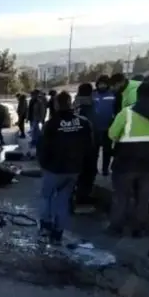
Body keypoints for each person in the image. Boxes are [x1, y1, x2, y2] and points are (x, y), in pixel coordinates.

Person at [106, 82, 149, 236]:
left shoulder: (127, 112)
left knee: (121, 195)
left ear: (139, 95)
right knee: (143, 197)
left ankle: (116, 227)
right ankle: (139, 228)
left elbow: (112, 134)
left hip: (126, 158)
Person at [37, 91, 93, 244]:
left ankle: (45, 226)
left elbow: (43, 147)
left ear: (56, 104)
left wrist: (43, 164)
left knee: (46, 196)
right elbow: (89, 147)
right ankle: (58, 233)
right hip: (73, 169)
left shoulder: (51, 124)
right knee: (63, 200)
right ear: (71, 103)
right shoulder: (83, 123)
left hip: (53, 168)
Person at [73, 83, 99, 205]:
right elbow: (93, 125)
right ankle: (83, 198)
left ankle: (75, 195)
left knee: (77, 171)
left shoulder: (74, 104)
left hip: (74, 145)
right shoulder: (91, 105)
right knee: (88, 172)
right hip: (88, 145)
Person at [93, 75, 117, 175]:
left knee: (107, 150)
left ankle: (105, 169)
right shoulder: (93, 94)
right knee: (94, 150)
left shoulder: (113, 94)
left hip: (108, 126)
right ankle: (93, 169)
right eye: (100, 84)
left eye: (104, 84)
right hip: (95, 127)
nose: (102, 85)